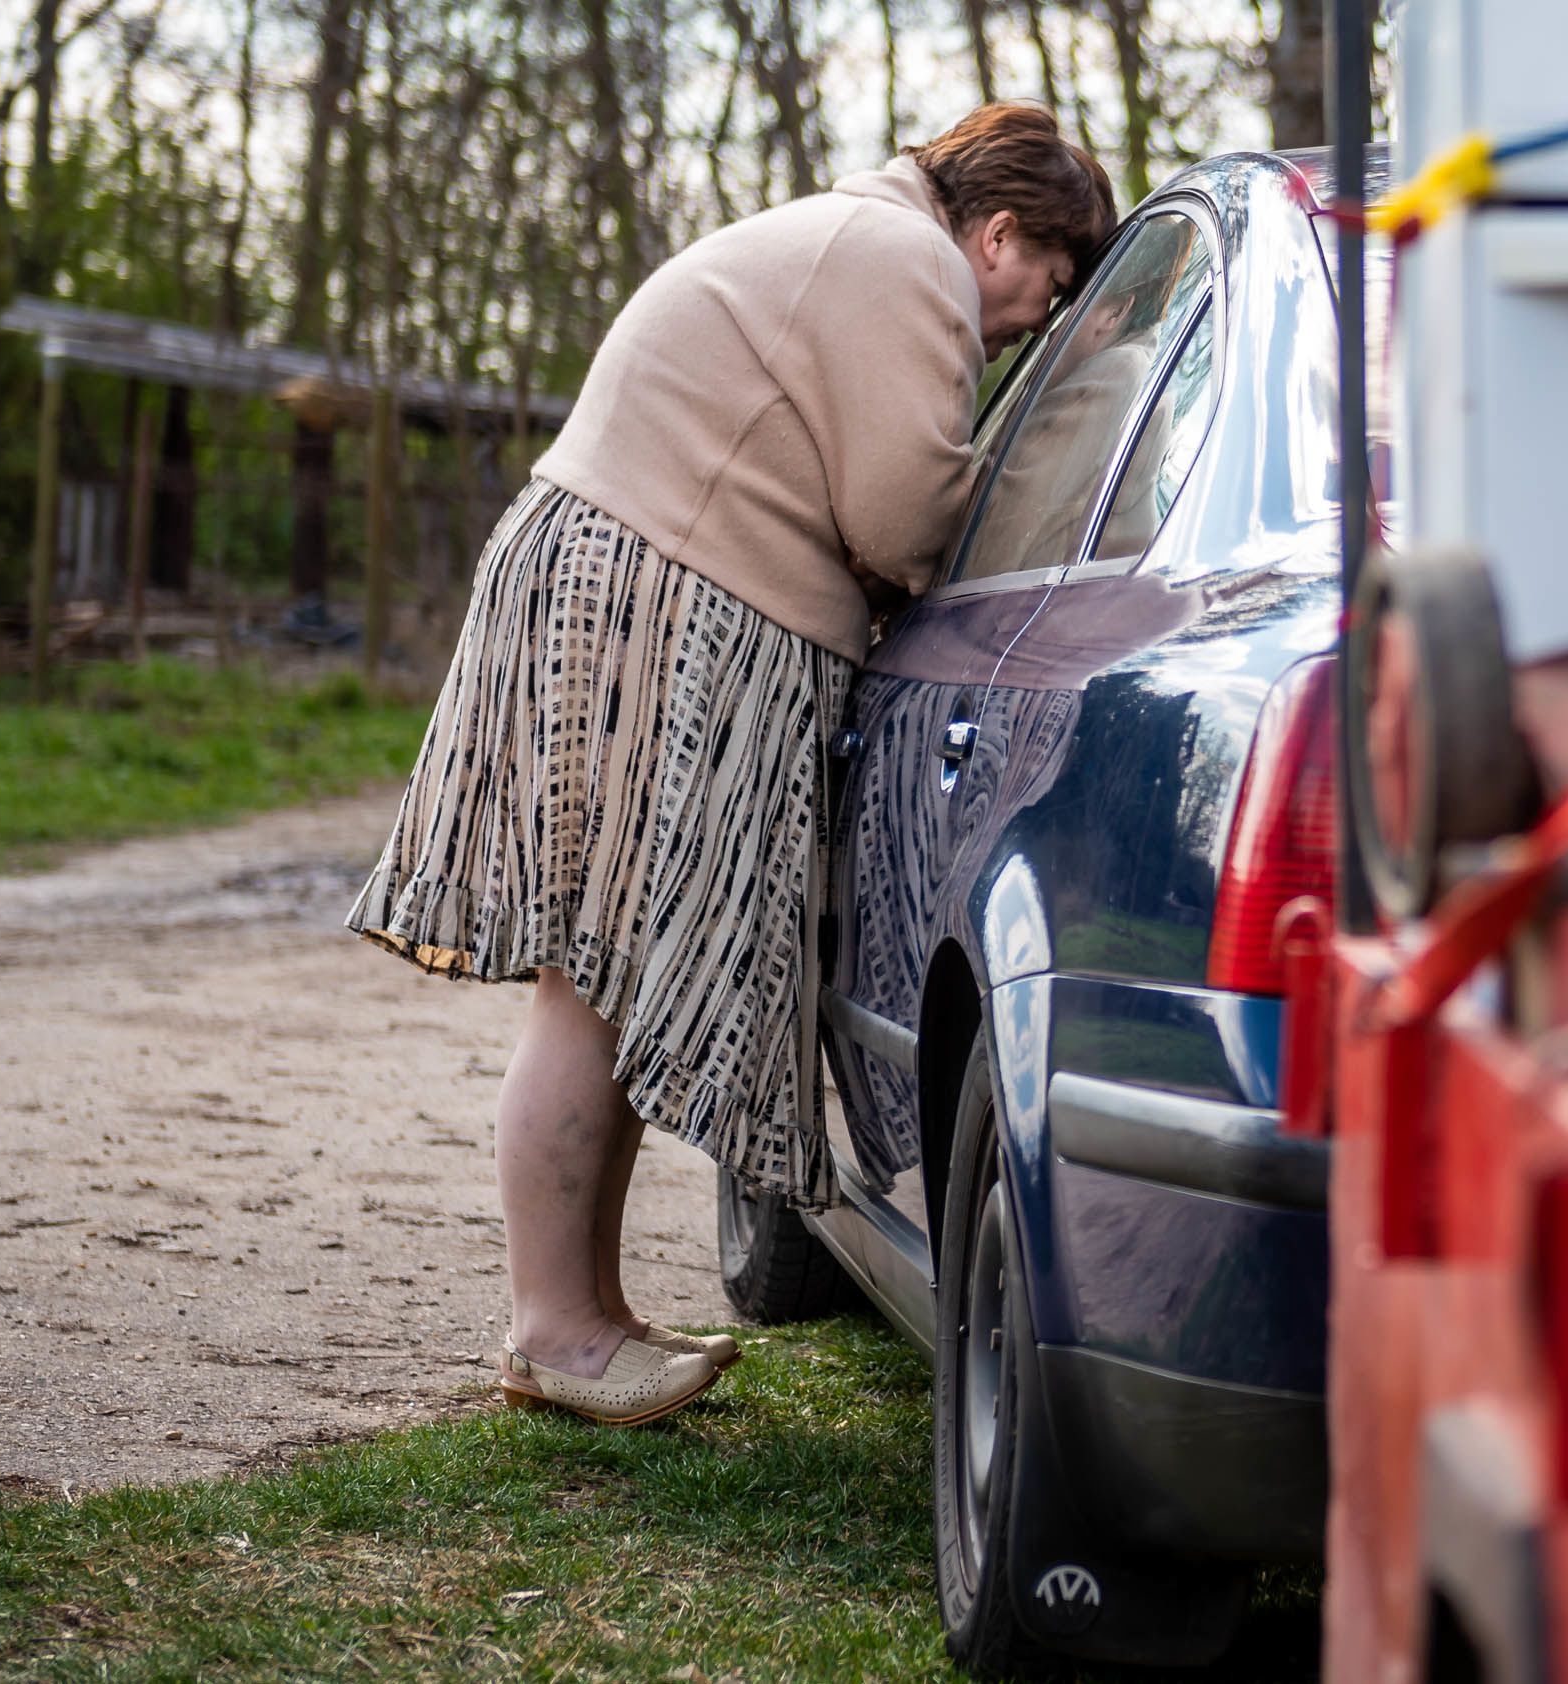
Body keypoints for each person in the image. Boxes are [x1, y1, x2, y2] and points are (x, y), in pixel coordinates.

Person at [341, 103, 1116, 1427]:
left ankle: (586, 1321)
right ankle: (554, 1328)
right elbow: (903, 511)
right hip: (654, 602)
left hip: (641, 585)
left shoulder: (863, 240)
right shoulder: (905, 263)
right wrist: (1027, 480)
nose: (1027, 323)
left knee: (612, 974)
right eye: (1044, 289)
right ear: (1001, 234)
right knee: (593, 982)